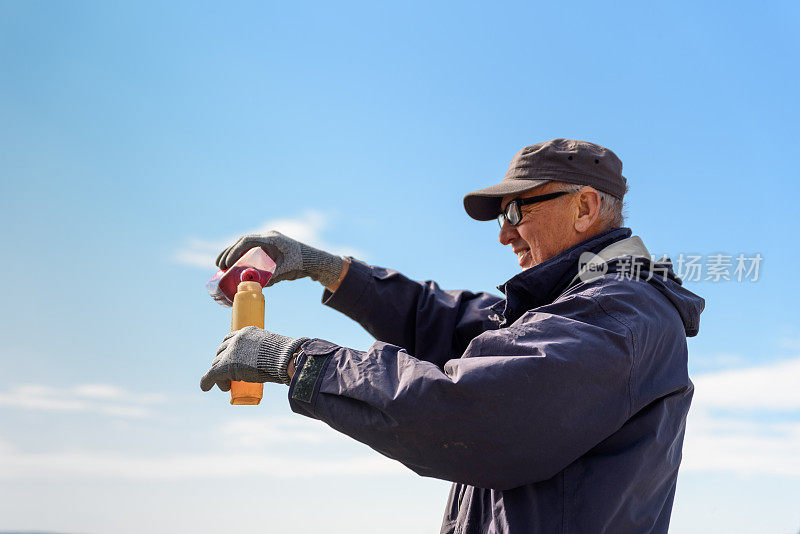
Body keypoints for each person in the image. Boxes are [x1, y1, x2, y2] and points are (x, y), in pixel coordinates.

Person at [201, 138, 704, 533]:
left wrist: (298, 362)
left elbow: (473, 410)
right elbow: (443, 320)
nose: (504, 234)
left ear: (585, 208)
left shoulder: (618, 316)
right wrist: (326, 267)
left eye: (516, 211)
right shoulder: (573, 307)